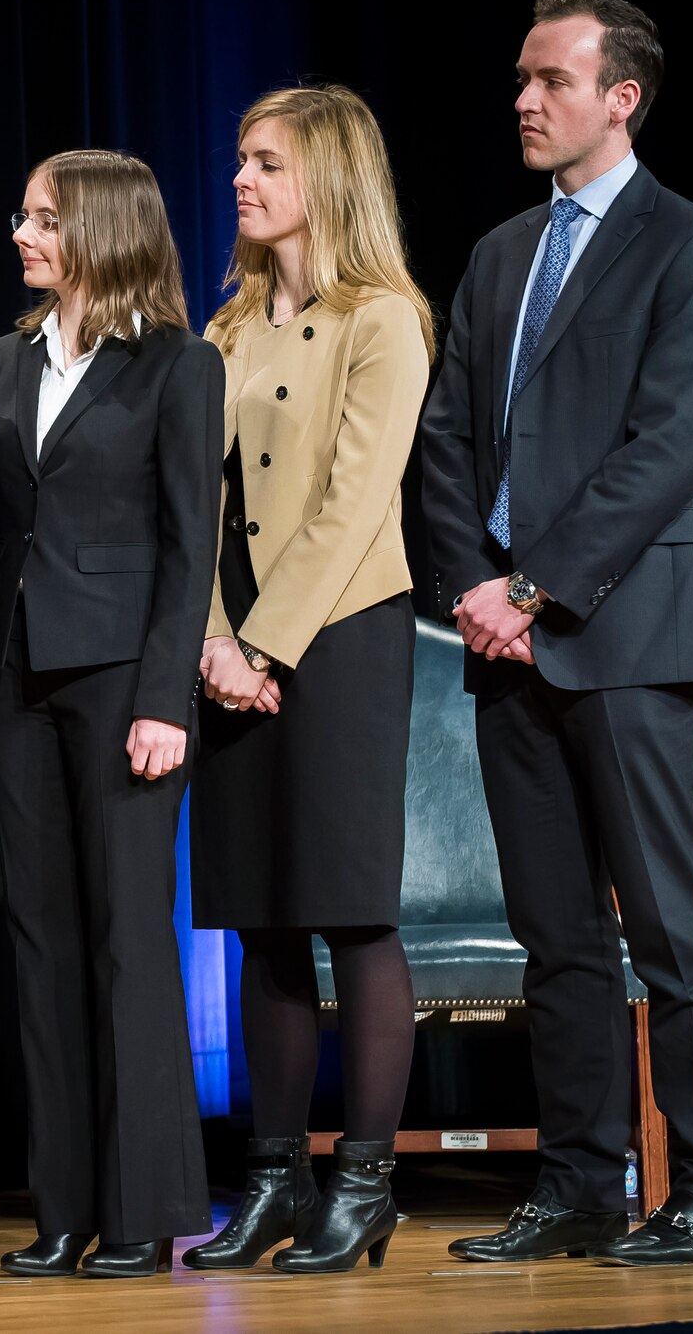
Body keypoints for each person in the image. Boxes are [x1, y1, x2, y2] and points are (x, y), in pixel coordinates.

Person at [423, 0, 693, 1267]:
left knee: (668, 928)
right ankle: (575, 1185)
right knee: (553, 935)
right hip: (501, 636)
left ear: (620, 96)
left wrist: (537, 586)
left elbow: (666, 446)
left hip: (620, 628)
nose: (522, 99)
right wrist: (471, 584)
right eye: (518, 78)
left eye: (549, 80)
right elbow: (446, 433)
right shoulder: (503, 250)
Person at [0, 151, 221, 1278]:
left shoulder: (175, 366)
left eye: (44, 217)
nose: (21, 231)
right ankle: (61, 1206)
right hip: (14, 679)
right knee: (40, 940)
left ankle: (144, 1206)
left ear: (102, 231)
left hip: (119, 687)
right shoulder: (5, 356)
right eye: (22, 213)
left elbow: (185, 543)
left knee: (125, 941)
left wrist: (165, 698)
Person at [186, 85, 434, 1274]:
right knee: (258, 919)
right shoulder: (224, 328)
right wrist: (210, 637)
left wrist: (264, 643)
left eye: (266, 159)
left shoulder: (382, 317)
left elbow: (352, 503)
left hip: (335, 636)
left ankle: (365, 1180)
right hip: (228, 649)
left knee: (346, 907)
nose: (240, 177)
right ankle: (272, 1177)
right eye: (238, 157)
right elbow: (194, 502)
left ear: (326, 178)